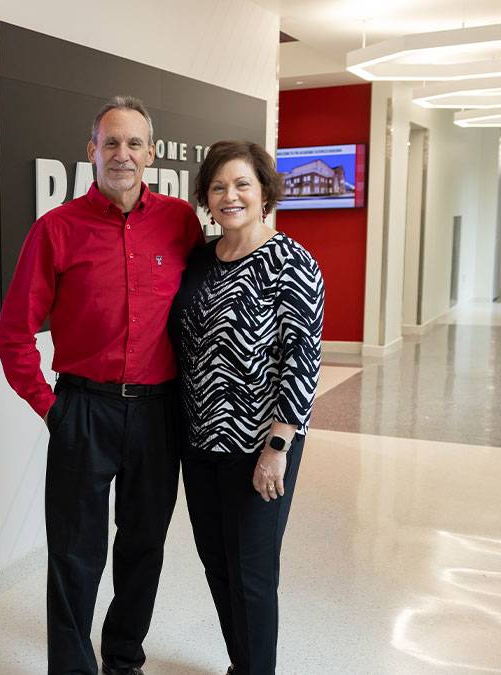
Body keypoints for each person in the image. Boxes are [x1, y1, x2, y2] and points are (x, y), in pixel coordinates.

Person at [0, 96, 204, 675]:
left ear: (151, 154)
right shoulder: (56, 230)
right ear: (91, 151)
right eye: (110, 143)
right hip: (83, 409)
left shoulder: (180, 223)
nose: (122, 154)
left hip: (159, 415)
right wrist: (52, 409)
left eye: (134, 143)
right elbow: (14, 335)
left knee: (143, 548)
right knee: (74, 555)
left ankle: (122, 658)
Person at [167, 141, 324, 675]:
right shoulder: (200, 261)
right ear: (206, 199)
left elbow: (300, 365)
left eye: (241, 185)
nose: (229, 196)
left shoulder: (293, 264)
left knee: (253, 572)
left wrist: (277, 448)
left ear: (264, 194)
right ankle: (243, 665)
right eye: (217, 187)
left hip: (260, 445)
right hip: (200, 443)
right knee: (218, 564)